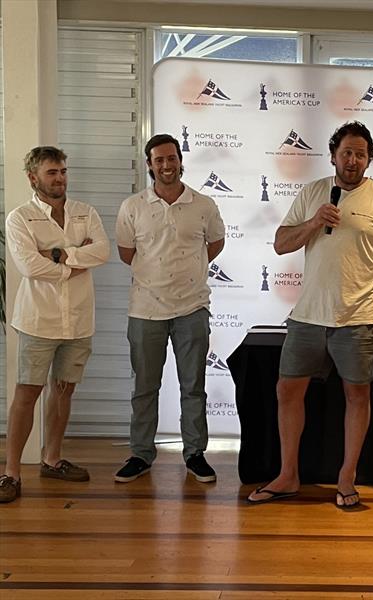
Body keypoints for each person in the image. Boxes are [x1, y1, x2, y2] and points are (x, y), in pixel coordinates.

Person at [247, 121, 373, 508]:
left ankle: (346, 478)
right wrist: (314, 221)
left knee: (357, 395)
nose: (352, 160)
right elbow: (280, 244)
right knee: (287, 390)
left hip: (358, 316)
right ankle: (288, 475)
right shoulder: (313, 193)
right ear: (333, 155)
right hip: (307, 315)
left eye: (360, 153)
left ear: (369, 158)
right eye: (346, 152)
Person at [0, 146, 110, 503]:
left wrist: (60, 255)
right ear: (33, 177)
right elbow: (30, 267)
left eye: (62, 171)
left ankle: (52, 459)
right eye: (52, 173)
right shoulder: (20, 218)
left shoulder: (85, 212)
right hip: (39, 321)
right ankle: (11, 473)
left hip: (78, 320)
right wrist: (76, 263)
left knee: (64, 389)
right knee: (27, 393)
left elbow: (103, 252)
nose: (60, 178)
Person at [114, 134, 225, 484]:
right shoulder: (132, 206)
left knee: (193, 386)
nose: (166, 165)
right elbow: (126, 253)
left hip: (192, 309)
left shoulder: (203, 204)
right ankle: (141, 453)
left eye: (171, 158)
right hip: (145, 311)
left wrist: (190, 272)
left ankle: (195, 454)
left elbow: (215, 243)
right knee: (145, 387)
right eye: (158, 160)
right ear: (149, 164)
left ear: (180, 160)